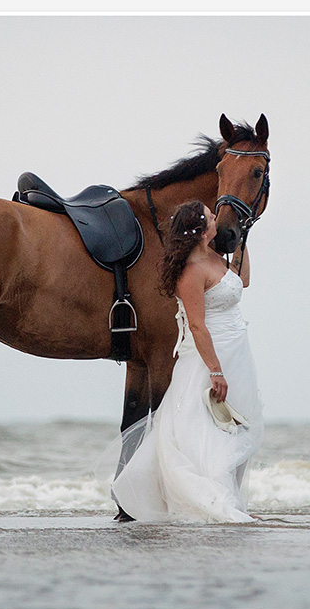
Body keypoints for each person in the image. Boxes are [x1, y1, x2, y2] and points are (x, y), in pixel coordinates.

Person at [111, 200, 264, 522]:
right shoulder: (190, 272)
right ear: (199, 229)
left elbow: (242, 280)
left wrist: (243, 239)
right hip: (210, 356)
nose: (216, 219)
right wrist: (215, 370)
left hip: (237, 349)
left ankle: (227, 494)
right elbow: (197, 325)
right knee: (201, 426)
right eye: (211, 217)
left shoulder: (214, 256)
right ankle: (207, 496)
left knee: (232, 423)